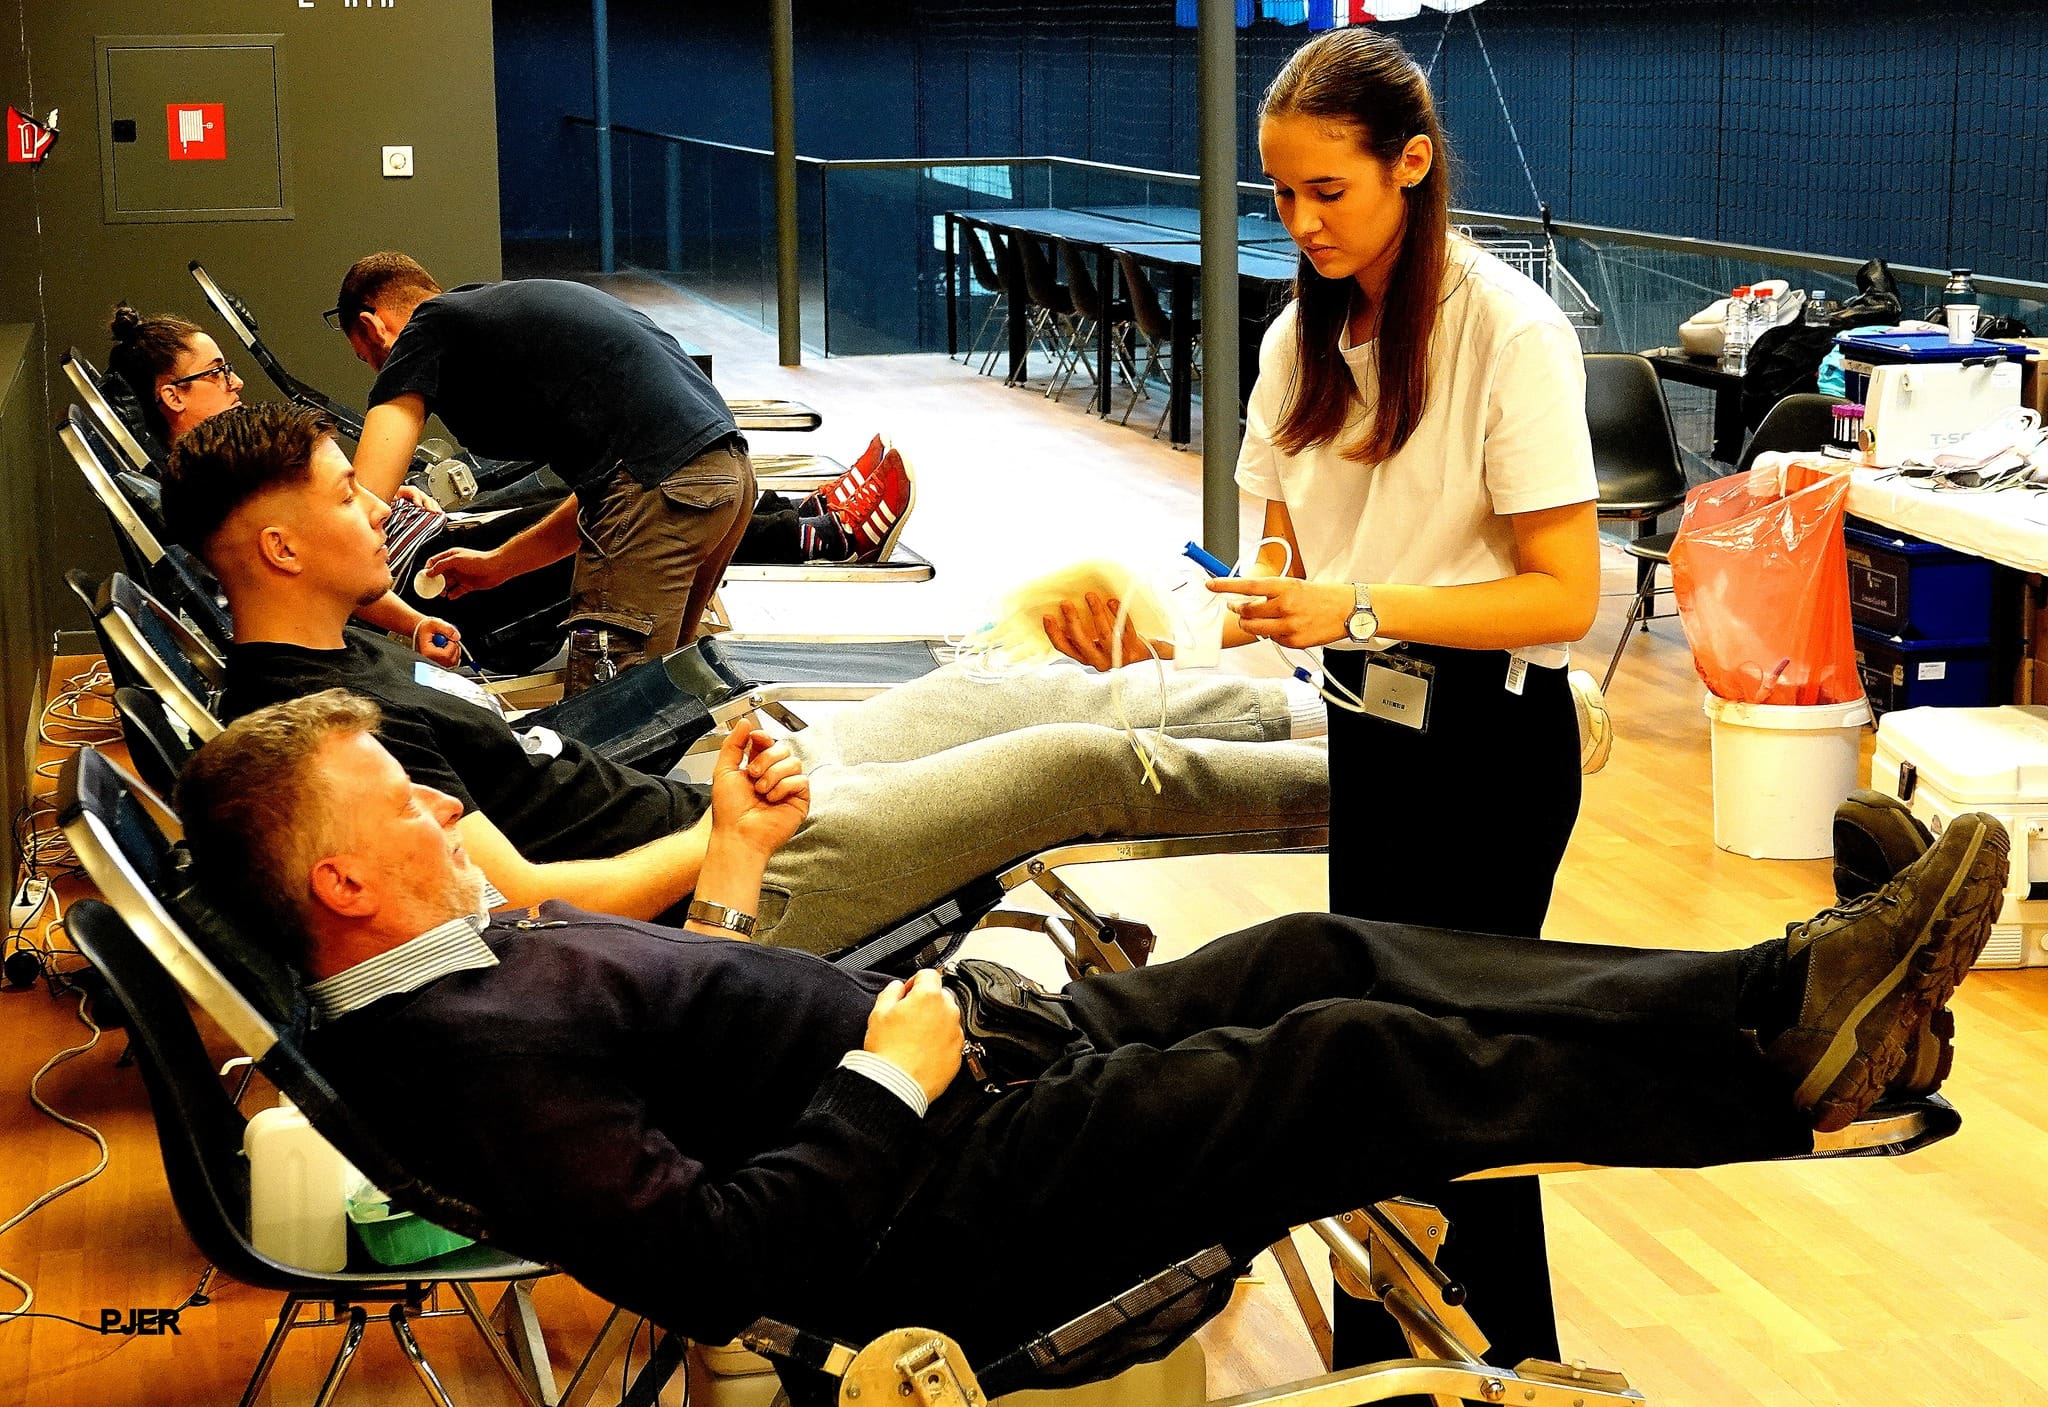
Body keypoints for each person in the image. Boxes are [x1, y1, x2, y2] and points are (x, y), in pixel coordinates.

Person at [172, 688, 2008, 1395]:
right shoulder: (460, 1051)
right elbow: (716, 1262)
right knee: (1339, 1061)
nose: (443, 800)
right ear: (344, 879)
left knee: (1308, 944)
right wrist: (889, 1077)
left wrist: (728, 874)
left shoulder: (468, 966)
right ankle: (1784, 1073)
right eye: (403, 797)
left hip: (975, 1070)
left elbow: (674, 1051)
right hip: (945, 1200)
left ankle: (1775, 990)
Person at [1048, 28, 1603, 1381]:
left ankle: (1500, 1358)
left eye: (1327, 191)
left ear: (1411, 164)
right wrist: (1176, 618)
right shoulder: (1300, 334)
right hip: (1376, 729)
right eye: (1281, 194)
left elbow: (1563, 595)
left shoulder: (1507, 331)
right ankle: (1386, 1350)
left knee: (1459, 1068)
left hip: (1489, 748)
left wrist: (1351, 606)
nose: (1301, 221)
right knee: (1373, 1056)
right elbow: (1275, 560)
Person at [160, 402, 1328, 956]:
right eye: (345, 497)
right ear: (281, 549)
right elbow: (520, 905)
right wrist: (733, 834)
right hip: (727, 884)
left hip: (711, 800)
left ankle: (1327, 717)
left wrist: (408, 614)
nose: (377, 507)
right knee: (1071, 768)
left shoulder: (341, 646)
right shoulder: (317, 737)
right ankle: (1382, 793)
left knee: (1013, 688)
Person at [332, 253, 914, 683]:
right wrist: (499, 565)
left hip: (667, 489)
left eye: (368, 359)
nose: (380, 371)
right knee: (655, 696)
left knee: (607, 714)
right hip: (726, 475)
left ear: (373, 325)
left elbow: (359, 500)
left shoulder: (427, 327)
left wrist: (337, 535)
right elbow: (603, 496)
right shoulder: (497, 314)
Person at [106, 303, 466, 668]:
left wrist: (360, 496)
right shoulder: (225, 492)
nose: (236, 382)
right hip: (393, 577)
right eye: (217, 372)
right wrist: (414, 622)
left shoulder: (233, 468)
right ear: (173, 396)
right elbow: (325, 569)